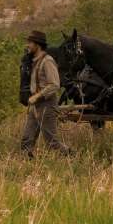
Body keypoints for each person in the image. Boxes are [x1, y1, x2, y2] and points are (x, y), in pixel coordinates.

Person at [20, 30, 71, 158]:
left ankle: (73, 158)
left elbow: (54, 84)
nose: (28, 45)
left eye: (30, 43)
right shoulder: (33, 61)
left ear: (38, 44)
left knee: (52, 143)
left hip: (47, 105)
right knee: (27, 140)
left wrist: (36, 96)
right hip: (35, 106)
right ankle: (28, 167)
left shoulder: (47, 61)